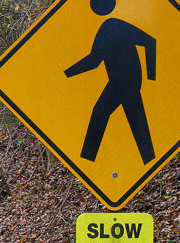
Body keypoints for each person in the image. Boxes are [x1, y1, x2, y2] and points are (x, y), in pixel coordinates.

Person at [65, 0, 157, 163]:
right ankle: (148, 158)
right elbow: (94, 61)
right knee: (133, 120)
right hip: (122, 82)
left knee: (102, 113)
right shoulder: (107, 27)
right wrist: (67, 74)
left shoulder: (113, 25)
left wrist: (152, 77)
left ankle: (88, 158)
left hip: (125, 82)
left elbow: (150, 42)